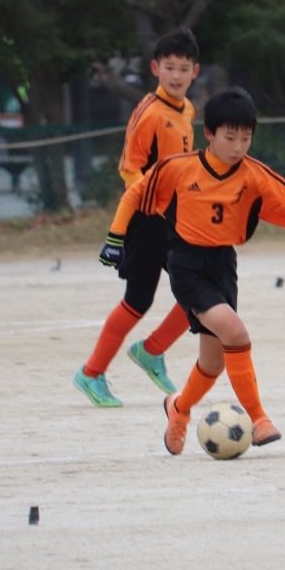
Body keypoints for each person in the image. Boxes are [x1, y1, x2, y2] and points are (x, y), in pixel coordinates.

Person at [99, 87, 285, 453]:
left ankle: (179, 408)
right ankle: (259, 420)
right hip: (186, 264)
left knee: (212, 362)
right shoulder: (178, 168)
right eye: (230, 138)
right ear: (209, 134)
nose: (238, 147)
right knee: (235, 331)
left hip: (223, 265)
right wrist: (115, 238)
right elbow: (135, 194)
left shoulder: (253, 174)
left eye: (246, 138)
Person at [73, 29, 201, 407]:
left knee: (202, 287)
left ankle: (152, 350)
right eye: (169, 67)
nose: (176, 75)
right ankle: (91, 373)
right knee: (139, 299)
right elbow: (129, 170)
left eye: (184, 68)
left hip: (177, 218)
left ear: (195, 72)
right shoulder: (149, 112)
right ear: (155, 68)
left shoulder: (188, 109)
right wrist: (156, 202)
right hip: (147, 220)